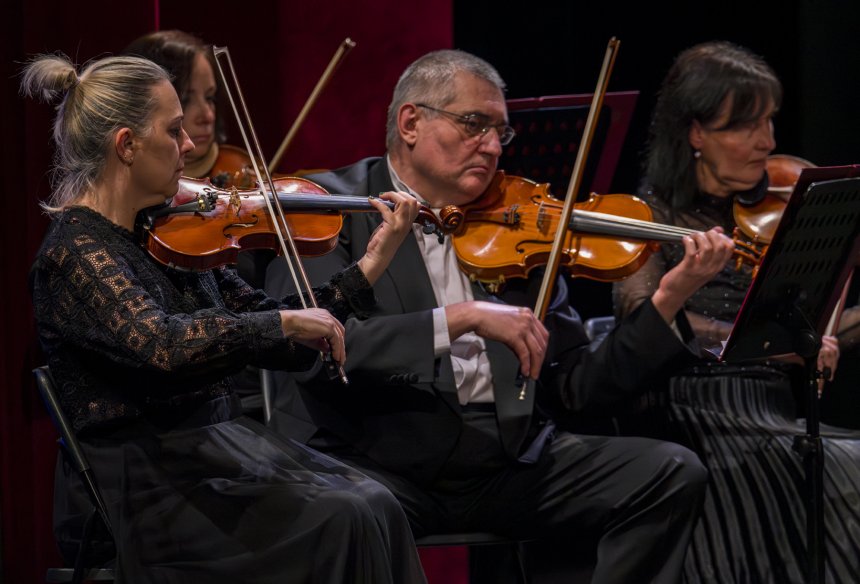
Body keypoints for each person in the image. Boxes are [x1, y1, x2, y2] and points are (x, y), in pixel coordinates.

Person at [263, 48, 736, 584]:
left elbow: (576, 387)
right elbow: (313, 347)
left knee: (669, 472)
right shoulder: (330, 208)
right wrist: (459, 318)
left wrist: (667, 300)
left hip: (503, 463)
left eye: (500, 132)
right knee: (348, 511)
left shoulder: (519, 225)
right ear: (411, 122)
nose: (491, 147)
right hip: (377, 464)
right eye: (474, 124)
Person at [23, 52, 428, 583]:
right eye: (174, 131)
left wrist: (371, 264)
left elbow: (274, 326)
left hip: (216, 453)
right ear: (126, 145)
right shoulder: (74, 253)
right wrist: (281, 326)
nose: (191, 146)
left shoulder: (167, 235)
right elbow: (163, 346)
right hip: (144, 487)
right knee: (344, 518)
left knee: (378, 502)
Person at [613, 40, 860, 583]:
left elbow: (821, 330)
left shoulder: (782, 198)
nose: (766, 142)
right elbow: (641, 316)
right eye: (745, 126)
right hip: (698, 411)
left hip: (776, 409)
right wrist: (772, 343)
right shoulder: (646, 216)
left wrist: (821, 334)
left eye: (769, 121)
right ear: (696, 133)